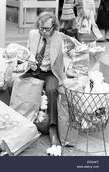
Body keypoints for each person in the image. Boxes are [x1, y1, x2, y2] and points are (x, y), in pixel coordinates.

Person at [23, 12, 80, 156]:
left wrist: (82, 56)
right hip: (35, 70)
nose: (44, 31)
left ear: (54, 27)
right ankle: (22, 125)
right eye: (41, 28)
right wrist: (30, 62)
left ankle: (53, 129)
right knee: (16, 84)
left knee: (52, 90)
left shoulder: (60, 38)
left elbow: (76, 52)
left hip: (51, 73)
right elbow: (28, 53)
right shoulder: (33, 34)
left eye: (47, 29)